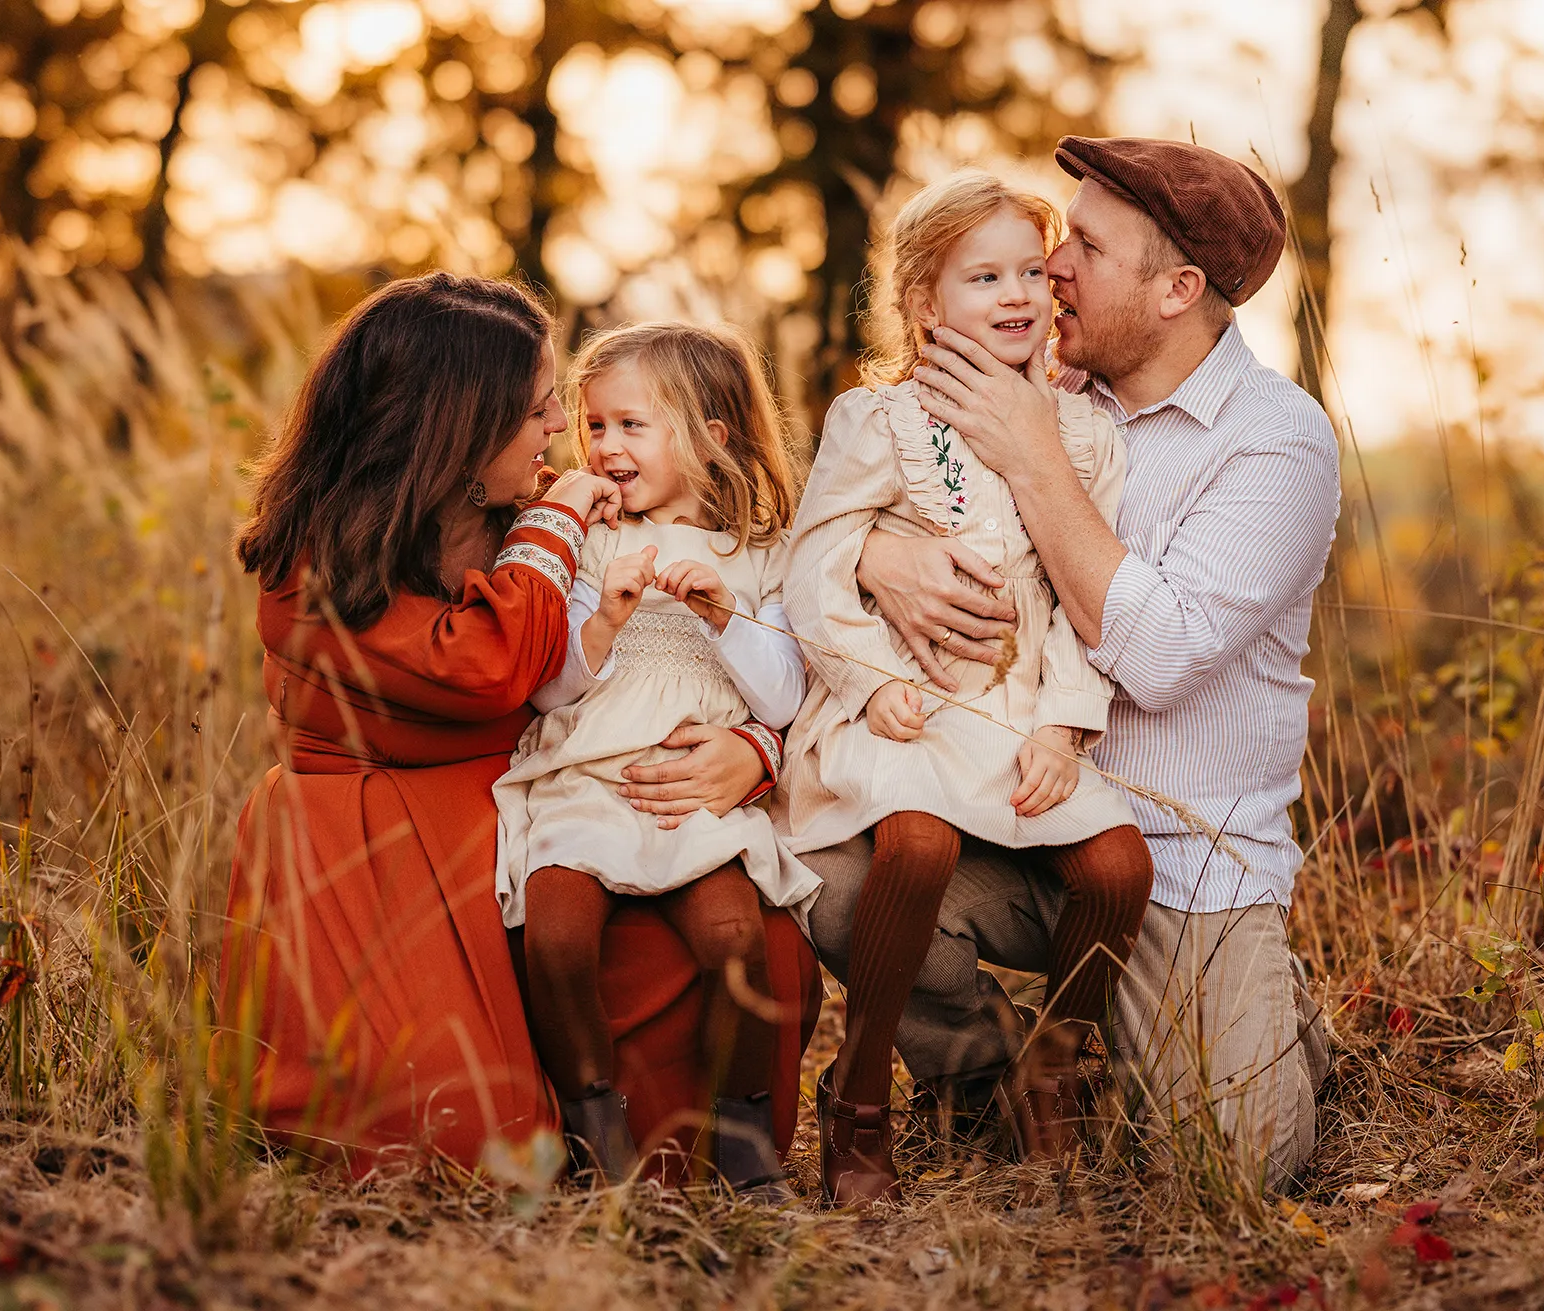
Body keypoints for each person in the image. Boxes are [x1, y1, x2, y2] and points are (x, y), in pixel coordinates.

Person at [819, 137, 1340, 1194]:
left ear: (1176, 290)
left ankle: (1270, 1011)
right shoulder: (1038, 384)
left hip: (1180, 867)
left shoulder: (1273, 445)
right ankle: (983, 1077)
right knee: (833, 882)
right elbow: (863, 504)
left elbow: (1156, 656)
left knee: (1231, 1171)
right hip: (1009, 814)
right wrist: (881, 555)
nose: (1052, 267)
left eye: (1085, 248)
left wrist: (1032, 456)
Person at [217, 274, 819, 1181]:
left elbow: (732, 655)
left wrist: (755, 749)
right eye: (544, 411)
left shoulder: (531, 508)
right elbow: (493, 666)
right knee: (467, 1138)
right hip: (392, 844)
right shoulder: (324, 556)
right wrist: (559, 519)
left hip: (559, 802)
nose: (562, 436)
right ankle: (580, 1119)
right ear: (462, 426)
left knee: (761, 948)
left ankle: (703, 1151)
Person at [779, 171, 1155, 1206]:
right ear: (921, 304)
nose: (1016, 293)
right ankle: (858, 1101)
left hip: (1020, 712)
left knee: (1118, 867)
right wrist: (861, 683)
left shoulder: (1086, 436)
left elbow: (1089, 601)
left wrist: (1064, 726)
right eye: (982, 274)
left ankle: (1054, 1069)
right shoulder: (877, 420)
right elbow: (812, 564)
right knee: (914, 840)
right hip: (905, 699)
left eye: (1031, 271)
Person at [493, 321, 821, 1197]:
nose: (604, 446)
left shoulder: (758, 554)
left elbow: (784, 698)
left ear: (711, 436)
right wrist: (602, 619)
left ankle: (743, 1140)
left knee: (735, 939)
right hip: (584, 783)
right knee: (556, 931)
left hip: (694, 801)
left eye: (631, 425)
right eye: (594, 426)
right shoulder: (586, 538)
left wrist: (723, 619)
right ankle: (599, 1132)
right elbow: (546, 688)